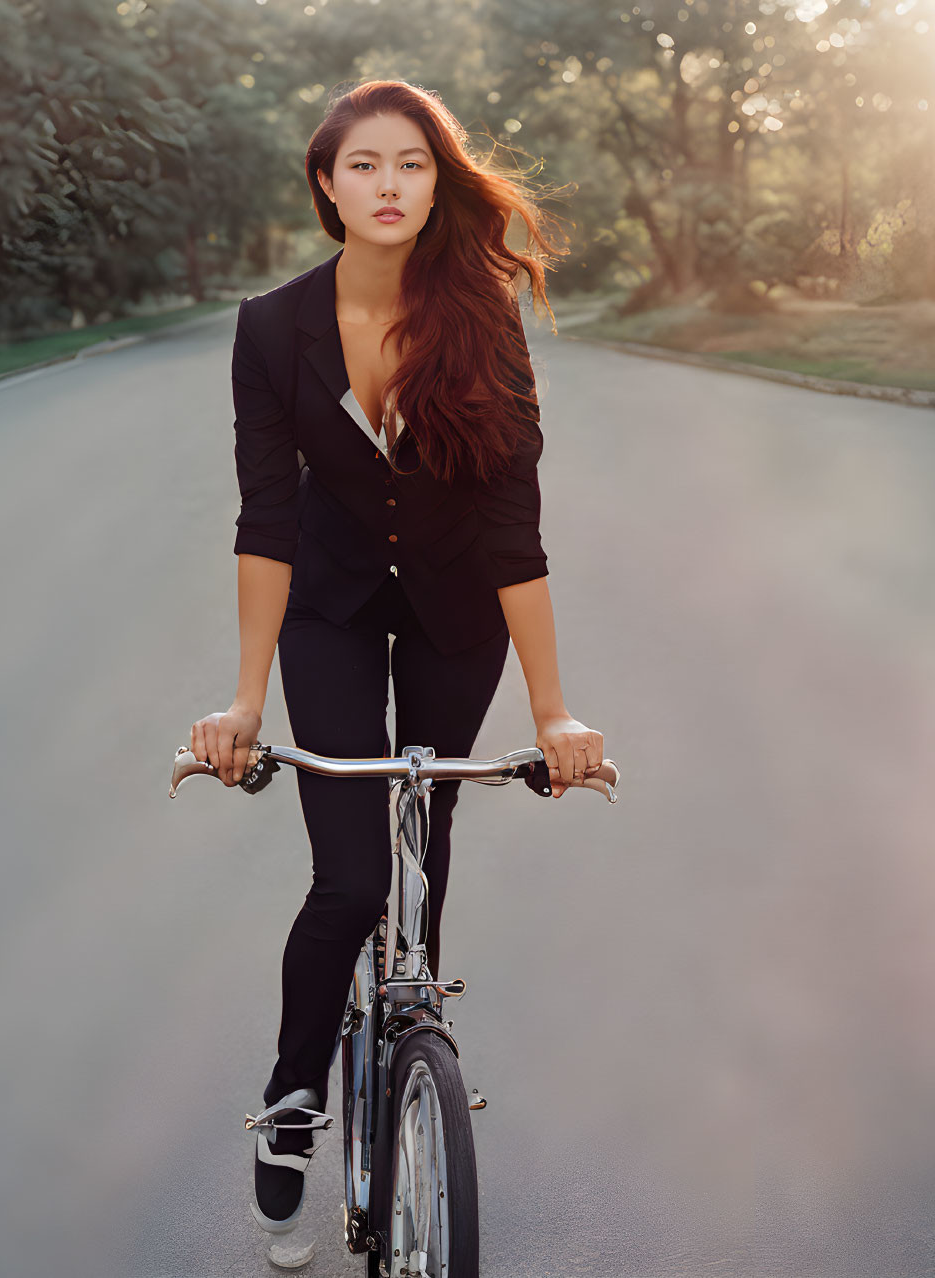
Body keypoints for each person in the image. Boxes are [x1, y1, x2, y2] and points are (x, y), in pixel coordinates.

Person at [187, 80, 607, 1235]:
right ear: (325, 182)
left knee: (426, 836)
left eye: (412, 164)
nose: (388, 185)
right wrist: (237, 701)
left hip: (450, 609)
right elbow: (265, 519)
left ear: (438, 180)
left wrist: (556, 712)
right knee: (350, 876)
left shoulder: (483, 316)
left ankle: (409, 1041)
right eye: (362, 165)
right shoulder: (271, 327)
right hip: (325, 609)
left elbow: (510, 524)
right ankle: (291, 1095)